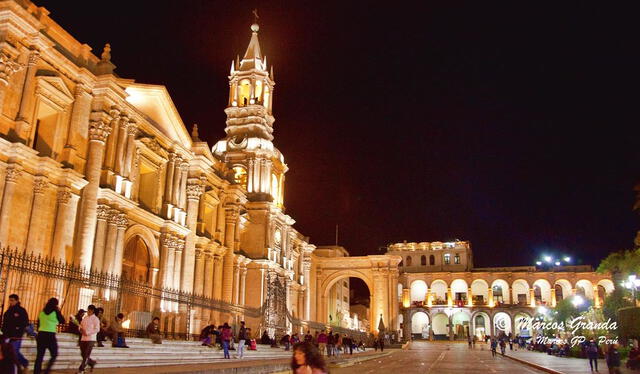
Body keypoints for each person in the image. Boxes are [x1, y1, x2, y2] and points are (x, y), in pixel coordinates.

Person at [34, 297, 65, 374]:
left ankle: (36, 372)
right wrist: (58, 311)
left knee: (39, 356)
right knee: (54, 354)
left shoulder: (42, 312)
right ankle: (47, 370)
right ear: (56, 304)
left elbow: (38, 324)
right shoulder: (55, 312)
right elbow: (62, 320)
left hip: (41, 335)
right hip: (50, 335)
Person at [1, 294, 29, 371]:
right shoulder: (8, 312)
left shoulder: (21, 310)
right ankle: (25, 363)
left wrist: (18, 329)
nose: (10, 302)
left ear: (17, 300)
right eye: (9, 300)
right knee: (12, 352)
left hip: (17, 336)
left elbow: (25, 322)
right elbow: (5, 324)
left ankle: (18, 368)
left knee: (14, 353)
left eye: (12, 300)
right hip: (7, 336)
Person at [78, 304, 100, 373]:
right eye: (88, 310)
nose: (88, 311)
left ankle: (81, 370)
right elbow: (80, 325)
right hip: (83, 338)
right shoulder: (85, 318)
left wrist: (88, 332)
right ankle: (91, 363)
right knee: (83, 354)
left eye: (89, 310)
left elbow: (97, 329)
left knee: (86, 355)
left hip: (91, 339)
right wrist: (80, 329)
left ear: (92, 311)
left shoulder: (95, 319)